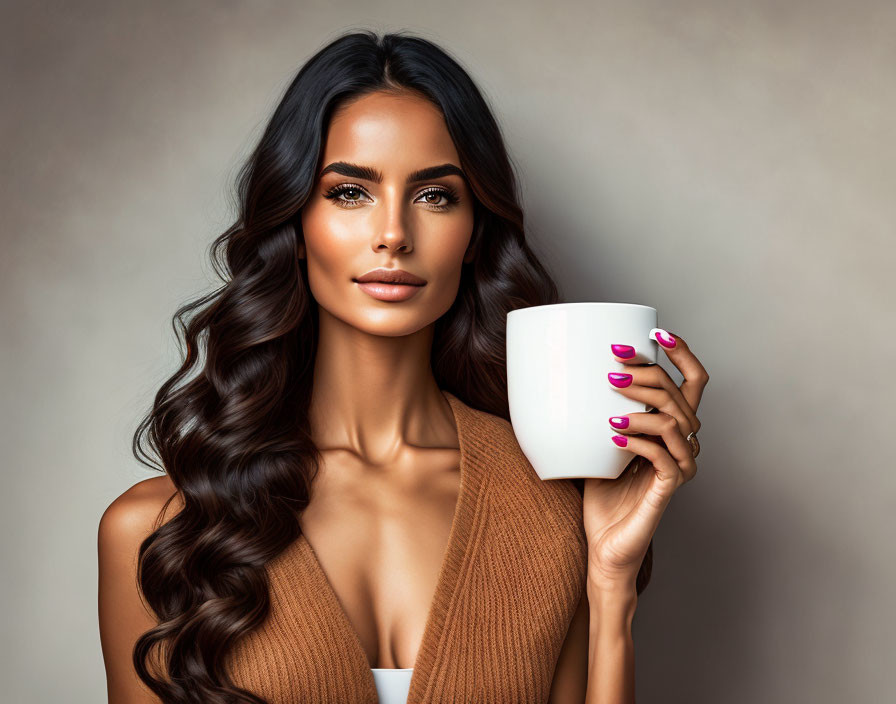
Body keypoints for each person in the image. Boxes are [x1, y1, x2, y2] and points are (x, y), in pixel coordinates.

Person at [97, 30, 709, 704]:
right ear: (295, 225)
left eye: (435, 196)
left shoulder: (554, 503)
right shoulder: (160, 529)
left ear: (475, 234)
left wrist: (609, 583)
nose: (393, 233)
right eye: (350, 193)